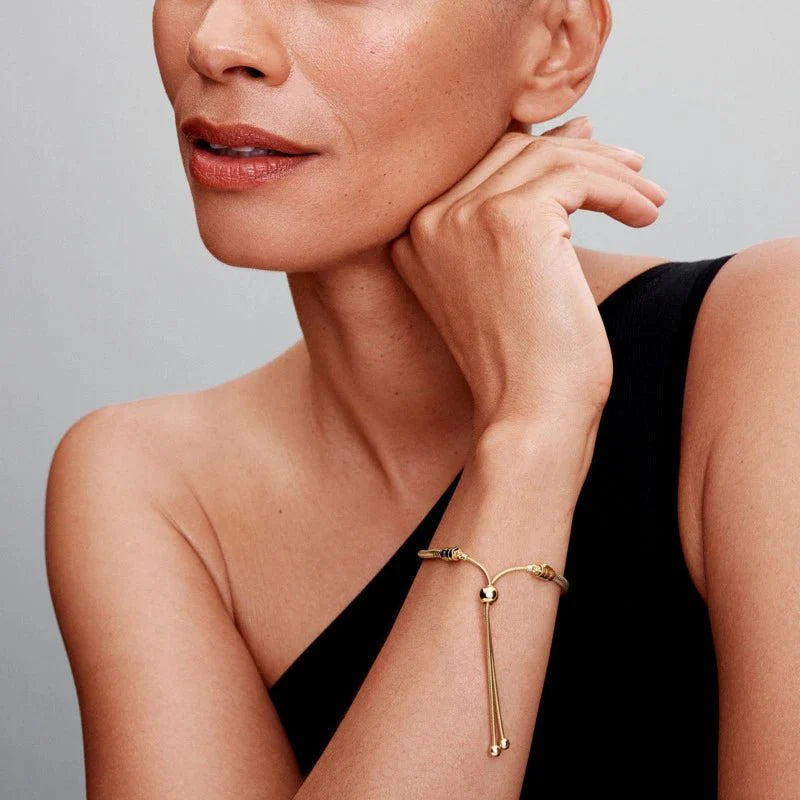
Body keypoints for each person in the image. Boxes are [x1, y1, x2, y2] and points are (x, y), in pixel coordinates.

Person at [44, 0, 800, 797]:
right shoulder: (146, 486)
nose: (216, 40)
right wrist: (532, 430)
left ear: (557, 45)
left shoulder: (769, 342)